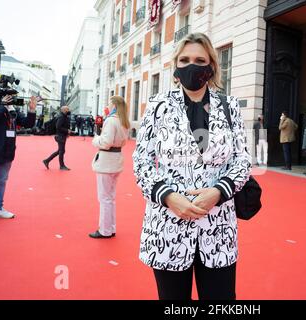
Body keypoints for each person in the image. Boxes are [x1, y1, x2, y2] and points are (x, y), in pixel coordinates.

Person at [133, 32, 252, 300]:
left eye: (199, 59)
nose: (191, 66)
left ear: (211, 66)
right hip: (167, 225)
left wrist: (219, 191)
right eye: (184, 60)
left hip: (218, 226)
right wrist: (167, 197)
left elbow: (243, 159)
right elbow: (141, 161)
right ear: (176, 66)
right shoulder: (157, 106)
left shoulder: (229, 105)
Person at [0, 95, 37, 219]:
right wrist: (2, 107)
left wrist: (32, 110)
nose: (11, 99)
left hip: (7, 153)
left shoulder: (13, 111)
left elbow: (28, 123)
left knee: (1, 182)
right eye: (8, 97)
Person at [89, 96, 130, 239]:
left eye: (109, 103)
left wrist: (95, 139)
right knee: (110, 198)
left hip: (106, 162)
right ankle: (110, 228)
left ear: (114, 105)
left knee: (104, 198)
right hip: (116, 160)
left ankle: (105, 230)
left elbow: (106, 142)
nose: (107, 105)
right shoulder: (123, 120)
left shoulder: (111, 120)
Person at [42, 106, 73, 171]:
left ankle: (46, 161)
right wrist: (67, 131)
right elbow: (58, 127)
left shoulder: (64, 117)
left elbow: (64, 126)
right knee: (61, 151)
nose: (69, 110)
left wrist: (67, 133)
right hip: (60, 136)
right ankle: (61, 166)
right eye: (67, 109)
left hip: (61, 136)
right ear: (63, 110)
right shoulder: (61, 117)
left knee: (60, 151)